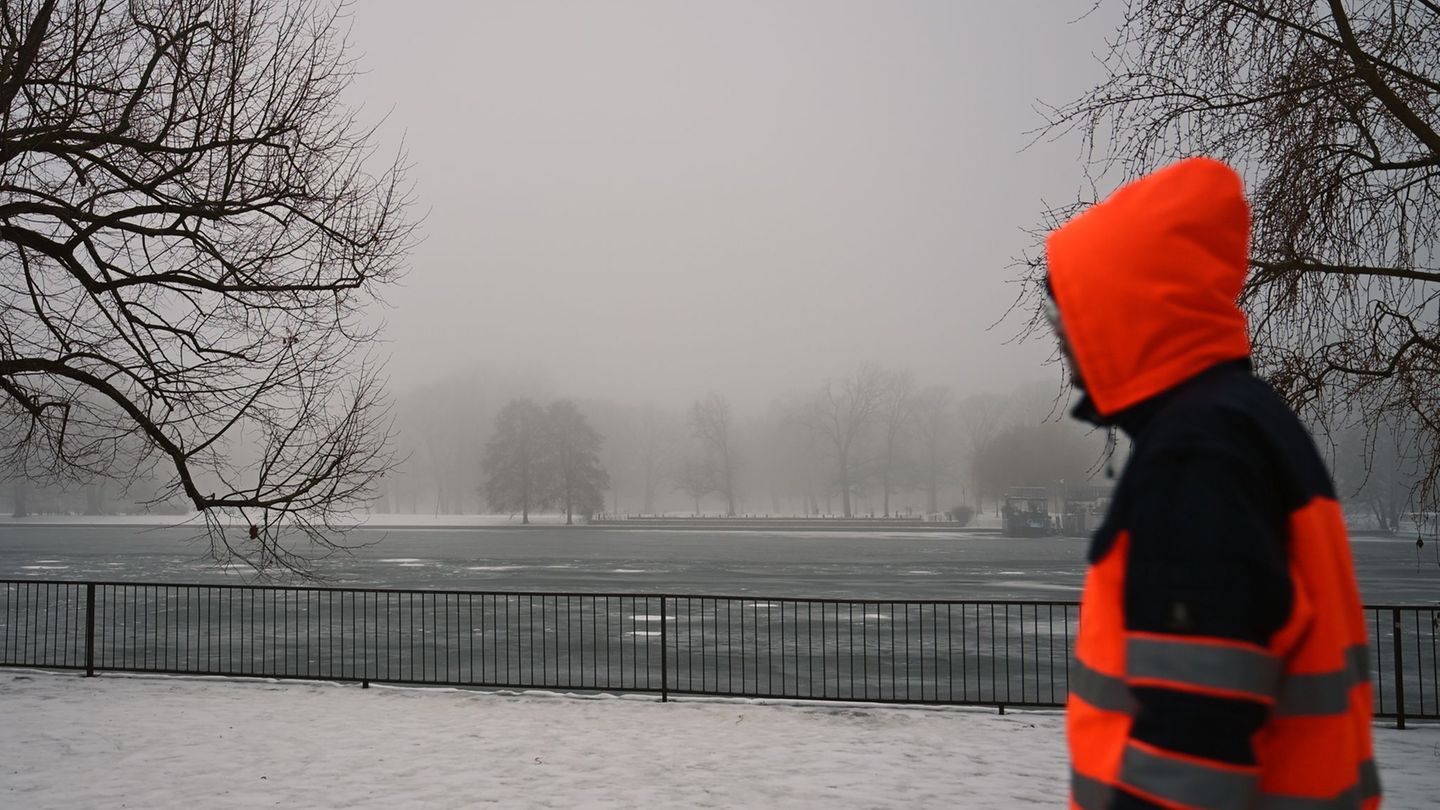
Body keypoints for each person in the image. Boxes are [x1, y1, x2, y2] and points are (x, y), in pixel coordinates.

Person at [1045, 157, 1379, 809]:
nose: (1065, 342)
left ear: (1124, 310)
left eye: (1072, 316)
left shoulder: (1196, 453)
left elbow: (1190, 742)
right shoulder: (1243, 422)